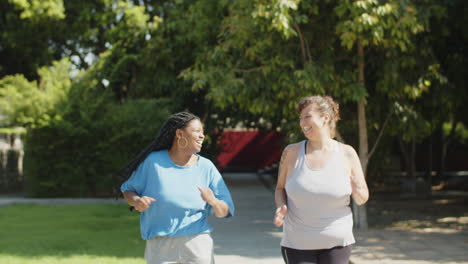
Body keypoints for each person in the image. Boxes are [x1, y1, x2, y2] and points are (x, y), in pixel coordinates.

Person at [118, 111, 234, 264]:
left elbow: (225, 211)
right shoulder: (153, 162)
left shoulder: (206, 167)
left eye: (202, 132)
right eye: (197, 131)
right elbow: (128, 190)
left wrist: (214, 202)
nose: (202, 136)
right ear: (179, 133)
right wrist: (137, 201)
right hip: (160, 245)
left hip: (197, 243)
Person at [273, 96, 369, 264]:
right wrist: (281, 206)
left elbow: (362, 199)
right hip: (297, 244)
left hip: (337, 244)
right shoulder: (291, 152)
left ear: (325, 118)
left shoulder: (347, 154)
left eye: (307, 116)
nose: (302, 122)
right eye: (300, 118)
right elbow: (280, 188)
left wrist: (357, 189)